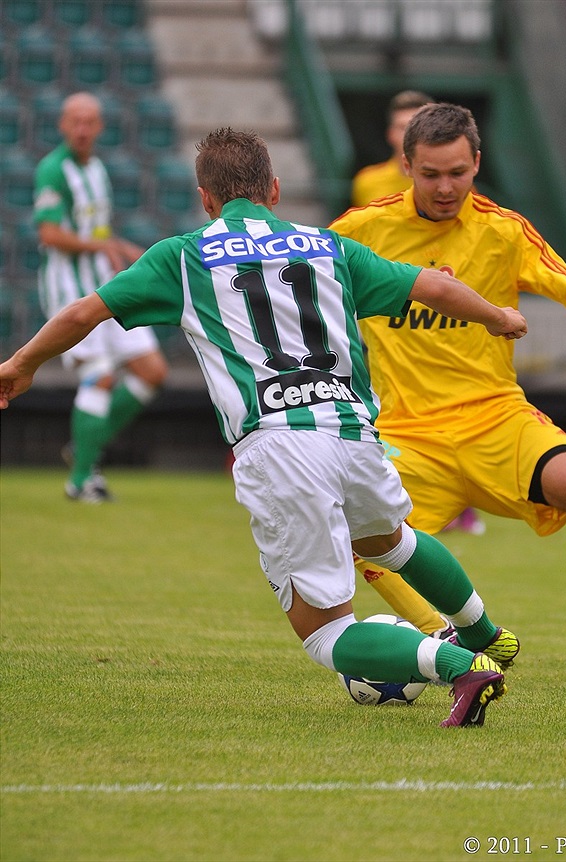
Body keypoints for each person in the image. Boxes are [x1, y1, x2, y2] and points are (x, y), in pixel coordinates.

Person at [0, 128, 531, 727]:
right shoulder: (328, 246)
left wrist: (21, 365)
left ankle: (463, 667)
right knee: (391, 541)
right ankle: (485, 633)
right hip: (353, 430)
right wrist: (497, 316)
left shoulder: (184, 255)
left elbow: (82, 313)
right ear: (274, 190)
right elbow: (431, 285)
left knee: (325, 633)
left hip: (279, 443)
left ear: (206, 199)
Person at [330, 103, 566, 688]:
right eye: (431, 174)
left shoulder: (504, 229)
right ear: (406, 166)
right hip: (407, 430)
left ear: (476, 163)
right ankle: (442, 635)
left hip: (495, 416)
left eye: (457, 173)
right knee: (358, 538)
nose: (446, 188)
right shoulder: (360, 228)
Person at [352, 89, 486, 537]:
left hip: (442, 303)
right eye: (400, 124)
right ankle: (403, 498)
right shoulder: (369, 184)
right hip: (392, 306)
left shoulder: (452, 183)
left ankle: (464, 499)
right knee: (387, 402)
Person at [33, 91, 168, 502]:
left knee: (152, 371)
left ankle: (83, 449)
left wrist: (119, 246)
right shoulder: (53, 169)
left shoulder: (97, 169)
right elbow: (49, 234)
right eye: (75, 121)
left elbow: (97, 231)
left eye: (89, 121)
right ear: (62, 124)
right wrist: (102, 246)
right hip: (69, 290)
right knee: (101, 374)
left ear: (100, 127)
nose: (82, 129)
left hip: (105, 285)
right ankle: (80, 482)